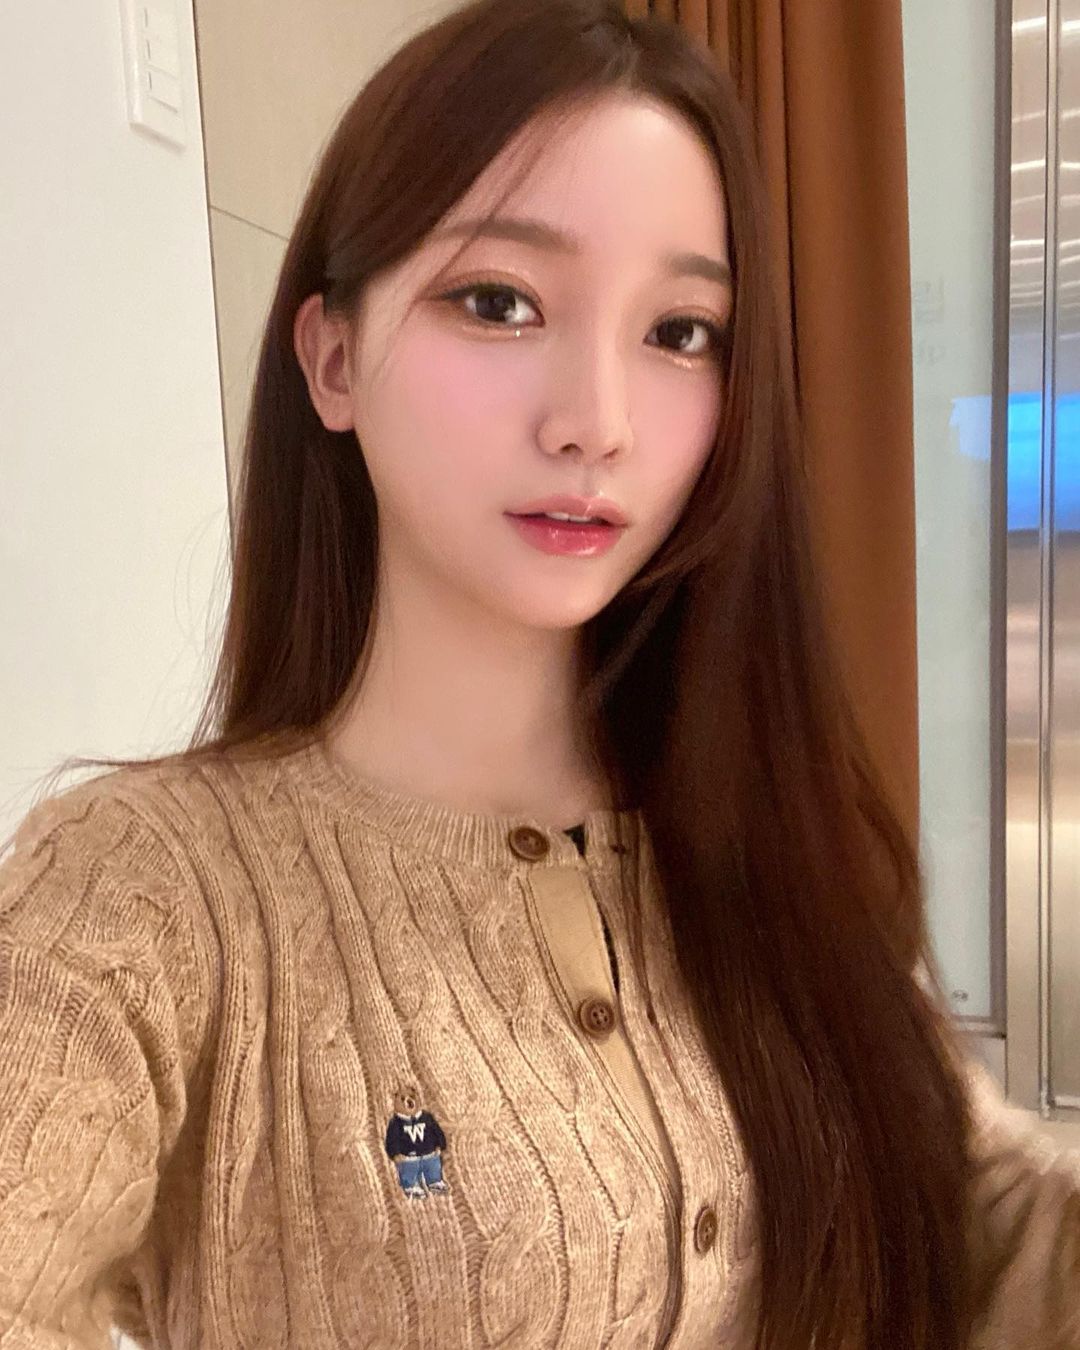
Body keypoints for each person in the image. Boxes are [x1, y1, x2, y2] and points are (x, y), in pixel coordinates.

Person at [1, 0, 1077, 1346]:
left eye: (680, 331)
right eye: (499, 302)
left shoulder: (773, 843)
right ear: (333, 358)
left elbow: (983, 1207)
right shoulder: (153, 890)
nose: (597, 423)